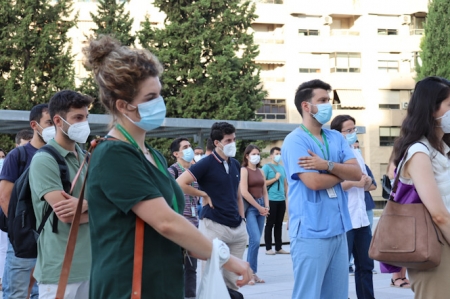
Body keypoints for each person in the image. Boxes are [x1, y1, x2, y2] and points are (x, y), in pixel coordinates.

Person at [83, 36, 251, 299]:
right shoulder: (114, 154)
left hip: (160, 282)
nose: (159, 102)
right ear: (123, 105)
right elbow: (165, 222)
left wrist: (205, 248)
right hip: (128, 287)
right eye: (150, 97)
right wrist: (225, 257)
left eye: (159, 94)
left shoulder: (154, 156)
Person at [281, 79, 361, 299]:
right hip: (310, 230)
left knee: (337, 295)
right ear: (306, 106)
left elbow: (357, 173)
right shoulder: (294, 141)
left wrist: (326, 166)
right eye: (323, 100)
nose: (328, 105)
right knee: (309, 294)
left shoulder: (335, 137)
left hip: (338, 228)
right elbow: (313, 183)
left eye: (329, 100)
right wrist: (341, 172)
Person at [390, 76, 450, 298]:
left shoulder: (441, 149)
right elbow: (439, 214)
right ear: (431, 109)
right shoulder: (419, 152)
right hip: (436, 245)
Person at [29, 91, 92, 299]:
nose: (84, 124)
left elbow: (103, 202)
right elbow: (67, 215)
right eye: (78, 118)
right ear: (58, 120)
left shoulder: (85, 157)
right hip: (60, 269)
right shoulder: (45, 160)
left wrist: (86, 204)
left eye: (86, 118)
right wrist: (103, 210)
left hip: (91, 265)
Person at [178, 121, 249, 291]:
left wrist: (242, 218)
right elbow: (180, 183)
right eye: (228, 141)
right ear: (217, 143)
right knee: (212, 277)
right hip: (215, 225)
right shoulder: (206, 163)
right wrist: (204, 194)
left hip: (237, 227)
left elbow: (237, 194)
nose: (233, 144)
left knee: (232, 281)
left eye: (234, 139)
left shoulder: (235, 164)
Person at [0, 104, 54, 299]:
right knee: (17, 292)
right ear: (34, 125)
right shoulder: (18, 155)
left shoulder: (57, 155)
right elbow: (5, 197)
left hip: (52, 240)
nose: (54, 127)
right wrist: (22, 232)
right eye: (49, 122)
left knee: (44, 292)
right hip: (24, 240)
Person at [331, 115, 375, 299]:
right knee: (341, 267)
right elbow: (335, 185)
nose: (352, 134)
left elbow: (366, 182)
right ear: (337, 133)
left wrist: (366, 182)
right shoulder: (333, 154)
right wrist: (356, 183)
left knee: (366, 264)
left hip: (362, 217)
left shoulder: (356, 153)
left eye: (353, 130)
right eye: (348, 130)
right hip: (345, 218)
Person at [168, 137, 200, 299]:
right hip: (179, 223)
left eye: (190, 146)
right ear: (176, 153)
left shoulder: (195, 170)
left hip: (194, 222)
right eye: (185, 147)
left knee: (191, 266)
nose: (190, 149)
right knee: (176, 267)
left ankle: (190, 296)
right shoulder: (172, 171)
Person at [379, 152, 410, 288]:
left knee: (407, 244)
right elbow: (393, 175)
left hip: (407, 208)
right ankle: (395, 277)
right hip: (397, 207)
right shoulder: (397, 158)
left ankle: (402, 275)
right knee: (398, 244)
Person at [240, 144, 269, 285]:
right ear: (247, 156)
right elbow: (244, 192)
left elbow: (264, 191)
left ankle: (254, 273)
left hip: (262, 208)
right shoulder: (244, 170)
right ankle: (248, 274)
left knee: (256, 243)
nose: (256, 156)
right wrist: (258, 207)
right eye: (253, 154)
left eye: (258, 153)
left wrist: (266, 207)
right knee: (255, 240)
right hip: (251, 208)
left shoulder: (261, 171)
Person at [262, 146, 289, 255]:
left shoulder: (282, 168)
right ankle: (268, 248)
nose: (279, 156)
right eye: (277, 153)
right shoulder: (266, 167)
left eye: (280, 154)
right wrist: (275, 178)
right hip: (271, 199)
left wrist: (287, 196)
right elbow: (263, 183)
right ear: (271, 155)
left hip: (281, 199)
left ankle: (279, 247)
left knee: (279, 224)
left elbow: (285, 184)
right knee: (270, 224)